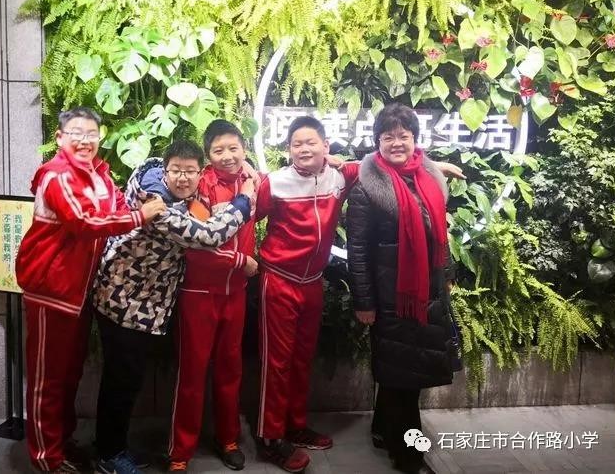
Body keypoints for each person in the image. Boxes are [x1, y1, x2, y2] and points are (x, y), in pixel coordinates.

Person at [253, 115, 463, 473]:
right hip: (279, 280)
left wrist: (435, 165)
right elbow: (247, 218)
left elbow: (381, 165)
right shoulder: (274, 183)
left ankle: (295, 424)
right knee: (276, 363)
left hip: (312, 282)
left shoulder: (341, 177)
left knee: (302, 360)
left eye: (312, 142)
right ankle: (270, 436)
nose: (305, 149)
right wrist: (243, 258)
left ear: (326, 146)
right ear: (287, 149)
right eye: (297, 144)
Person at [15, 107, 166, 473]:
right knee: (48, 379)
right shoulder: (56, 175)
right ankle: (46, 457)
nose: (84, 141)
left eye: (91, 134)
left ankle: (61, 442)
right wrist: (139, 216)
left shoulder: (99, 174)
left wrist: (147, 204)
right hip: (52, 290)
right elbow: (85, 222)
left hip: (80, 292)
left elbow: (117, 204)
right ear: (60, 138)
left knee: (69, 374)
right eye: (76, 134)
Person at [91, 140, 256, 474]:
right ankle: (108, 455)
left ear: (200, 172)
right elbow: (209, 235)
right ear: (165, 170)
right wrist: (244, 200)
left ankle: (114, 446)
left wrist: (247, 175)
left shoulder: (163, 185)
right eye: (176, 170)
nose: (183, 178)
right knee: (121, 380)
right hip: (123, 302)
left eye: (190, 171)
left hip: (138, 303)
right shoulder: (158, 205)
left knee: (126, 379)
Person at [346, 103, 459, 474]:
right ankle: (408, 453)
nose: (397, 143)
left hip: (427, 292)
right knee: (403, 375)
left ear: (414, 139)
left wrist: (446, 274)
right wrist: (364, 301)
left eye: (403, 136)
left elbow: (439, 234)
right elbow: (357, 250)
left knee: (405, 371)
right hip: (390, 297)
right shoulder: (366, 188)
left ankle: (383, 428)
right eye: (388, 136)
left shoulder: (428, 178)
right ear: (377, 141)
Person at [168, 120, 259, 473]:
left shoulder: (253, 182)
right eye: (219, 150)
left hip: (236, 294)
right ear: (208, 156)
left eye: (234, 148)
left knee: (230, 370)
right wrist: (240, 261)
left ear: (244, 149)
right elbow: (198, 245)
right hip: (199, 294)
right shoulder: (201, 186)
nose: (227, 156)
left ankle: (228, 439)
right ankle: (180, 452)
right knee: (191, 375)